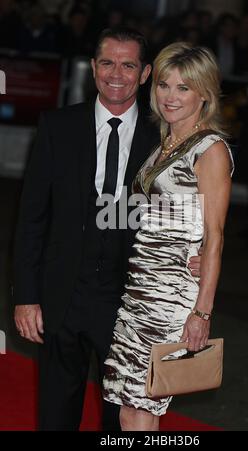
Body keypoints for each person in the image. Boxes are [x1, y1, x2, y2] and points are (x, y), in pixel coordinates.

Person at [13, 28, 201, 431]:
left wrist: (196, 261)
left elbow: (188, 215)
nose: (117, 73)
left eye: (128, 64)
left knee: (123, 420)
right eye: (107, 62)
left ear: (146, 72)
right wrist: (26, 296)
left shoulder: (165, 138)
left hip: (131, 303)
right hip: (62, 296)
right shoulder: (56, 127)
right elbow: (31, 219)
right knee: (55, 414)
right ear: (94, 67)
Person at [102, 42, 234, 431]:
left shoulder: (210, 150)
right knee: (129, 404)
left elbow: (216, 235)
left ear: (204, 93)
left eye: (183, 88)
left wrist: (202, 312)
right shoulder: (166, 144)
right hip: (142, 286)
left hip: (171, 295)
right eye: (164, 84)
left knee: (143, 403)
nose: (170, 96)